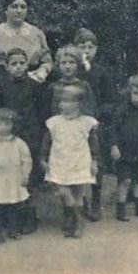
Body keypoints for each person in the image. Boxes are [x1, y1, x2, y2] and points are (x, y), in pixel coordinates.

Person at [0, 47, 47, 233]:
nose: (18, 67)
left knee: (29, 175)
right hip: (7, 136)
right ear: (6, 67)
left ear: (27, 65)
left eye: (21, 63)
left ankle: (30, 216)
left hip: (30, 135)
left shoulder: (35, 86)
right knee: (8, 173)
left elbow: (42, 112)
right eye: (13, 64)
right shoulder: (1, 86)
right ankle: (11, 216)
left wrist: (38, 131)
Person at [41, 85, 99, 238]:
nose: (62, 104)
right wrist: (43, 158)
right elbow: (46, 142)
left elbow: (94, 144)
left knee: (78, 194)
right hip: (60, 161)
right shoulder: (54, 122)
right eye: (61, 101)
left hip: (79, 160)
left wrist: (94, 162)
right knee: (63, 190)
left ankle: (74, 222)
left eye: (67, 101)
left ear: (79, 103)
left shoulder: (86, 122)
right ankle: (78, 218)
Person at [75, 28, 117, 222]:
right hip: (74, 123)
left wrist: (98, 115)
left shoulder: (102, 72)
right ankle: (81, 200)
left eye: (90, 47)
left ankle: (95, 201)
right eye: (82, 46)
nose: (86, 50)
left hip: (95, 123)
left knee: (95, 162)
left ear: (96, 49)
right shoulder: (72, 70)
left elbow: (110, 100)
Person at [0, 108, 32, 244]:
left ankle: (14, 230)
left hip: (14, 178)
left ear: (13, 125)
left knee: (14, 206)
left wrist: (25, 175)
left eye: (7, 124)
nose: (3, 127)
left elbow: (26, 159)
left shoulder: (19, 143)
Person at [109, 75, 138, 222]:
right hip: (124, 153)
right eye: (136, 94)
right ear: (128, 94)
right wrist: (114, 146)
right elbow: (114, 130)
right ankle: (121, 208)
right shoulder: (123, 111)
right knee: (125, 180)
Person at [0, 0, 52, 85]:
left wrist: (42, 72)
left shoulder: (37, 34)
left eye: (23, 7)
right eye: (14, 6)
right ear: (5, 10)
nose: (19, 11)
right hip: (2, 82)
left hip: (32, 81)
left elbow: (47, 60)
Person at [47, 46, 97, 119]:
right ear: (58, 65)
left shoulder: (84, 86)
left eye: (72, 62)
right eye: (64, 63)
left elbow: (90, 111)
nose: (67, 66)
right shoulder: (53, 87)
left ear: (78, 64)